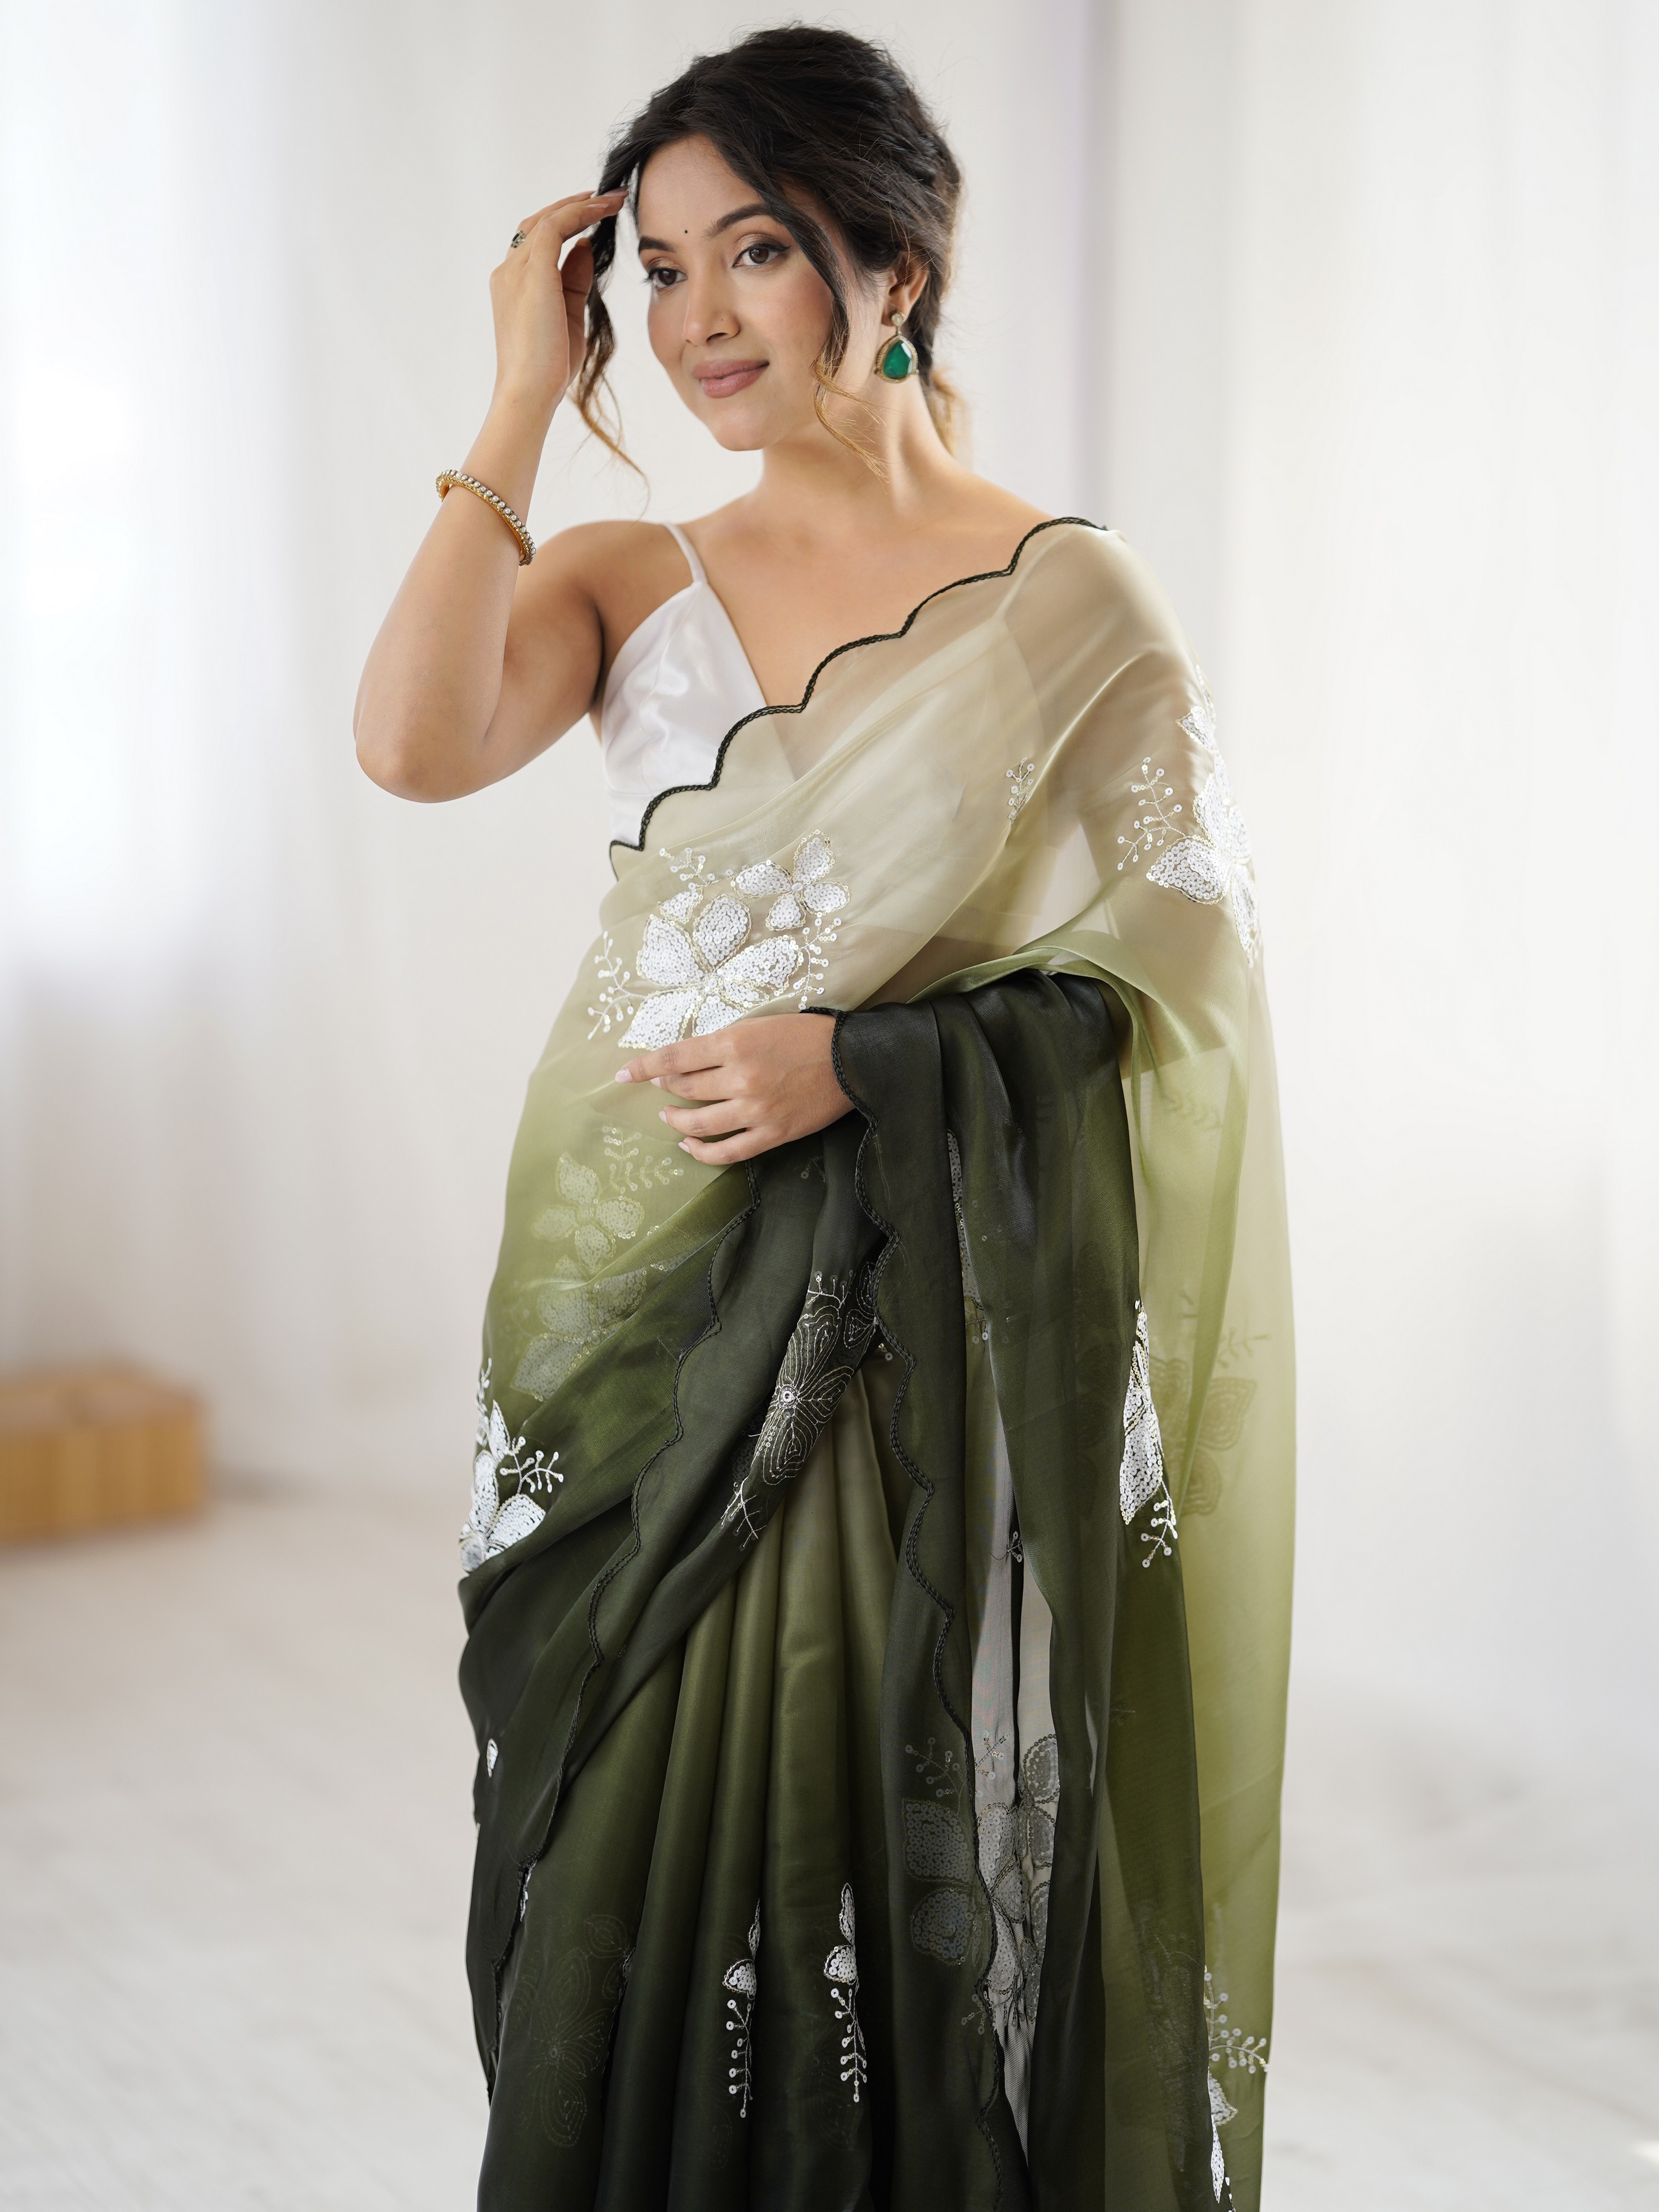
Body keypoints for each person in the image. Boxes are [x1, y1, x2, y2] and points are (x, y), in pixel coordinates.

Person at [355, 26, 1292, 2212]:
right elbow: (408, 745)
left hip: (915, 1335)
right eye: (659, 270)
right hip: (643, 1311)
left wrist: (860, 1066)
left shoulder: (1071, 598)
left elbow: (1183, 983)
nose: (697, 319)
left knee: (875, 1824)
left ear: (895, 266)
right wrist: (518, 395)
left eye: (754, 251)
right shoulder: (626, 574)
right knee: (622, 1841)